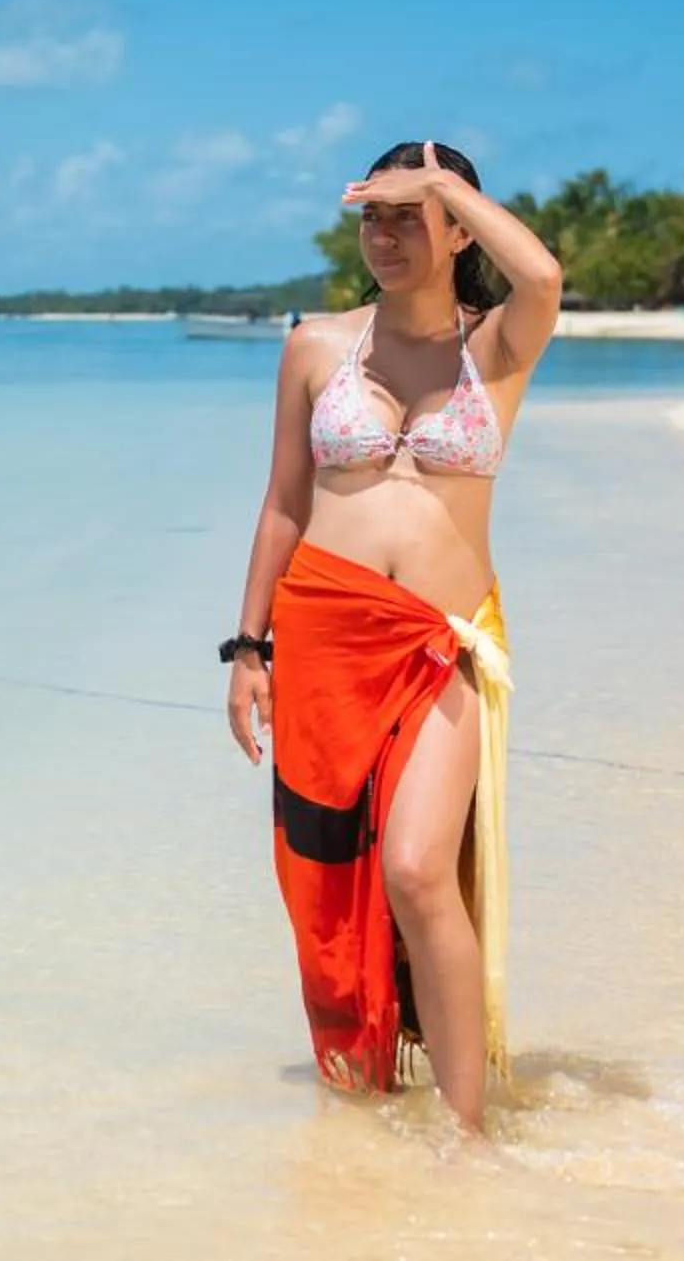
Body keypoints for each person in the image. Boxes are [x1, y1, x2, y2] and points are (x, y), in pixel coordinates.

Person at [222, 139, 563, 1132]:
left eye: (407, 215)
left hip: (442, 639)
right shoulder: (318, 347)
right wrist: (250, 649)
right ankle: (361, 1115)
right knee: (330, 879)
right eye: (373, 215)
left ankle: (466, 1134)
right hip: (323, 630)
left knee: (417, 868)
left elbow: (542, 272)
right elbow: (284, 504)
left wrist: (442, 183)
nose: (384, 234)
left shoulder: (496, 345)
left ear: (458, 226)